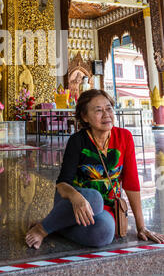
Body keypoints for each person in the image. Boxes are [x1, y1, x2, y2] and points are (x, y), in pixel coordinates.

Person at [26, 89, 164, 249]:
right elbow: (62, 184)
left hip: (107, 207)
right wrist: (77, 197)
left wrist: (141, 227)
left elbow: (131, 183)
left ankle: (55, 225)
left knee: (104, 232)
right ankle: (42, 228)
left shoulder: (124, 137)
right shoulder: (77, 141)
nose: (106, 114)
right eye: (98, 110)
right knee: (95, 198)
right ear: (85, 117)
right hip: (71, 202)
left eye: (109, 108)